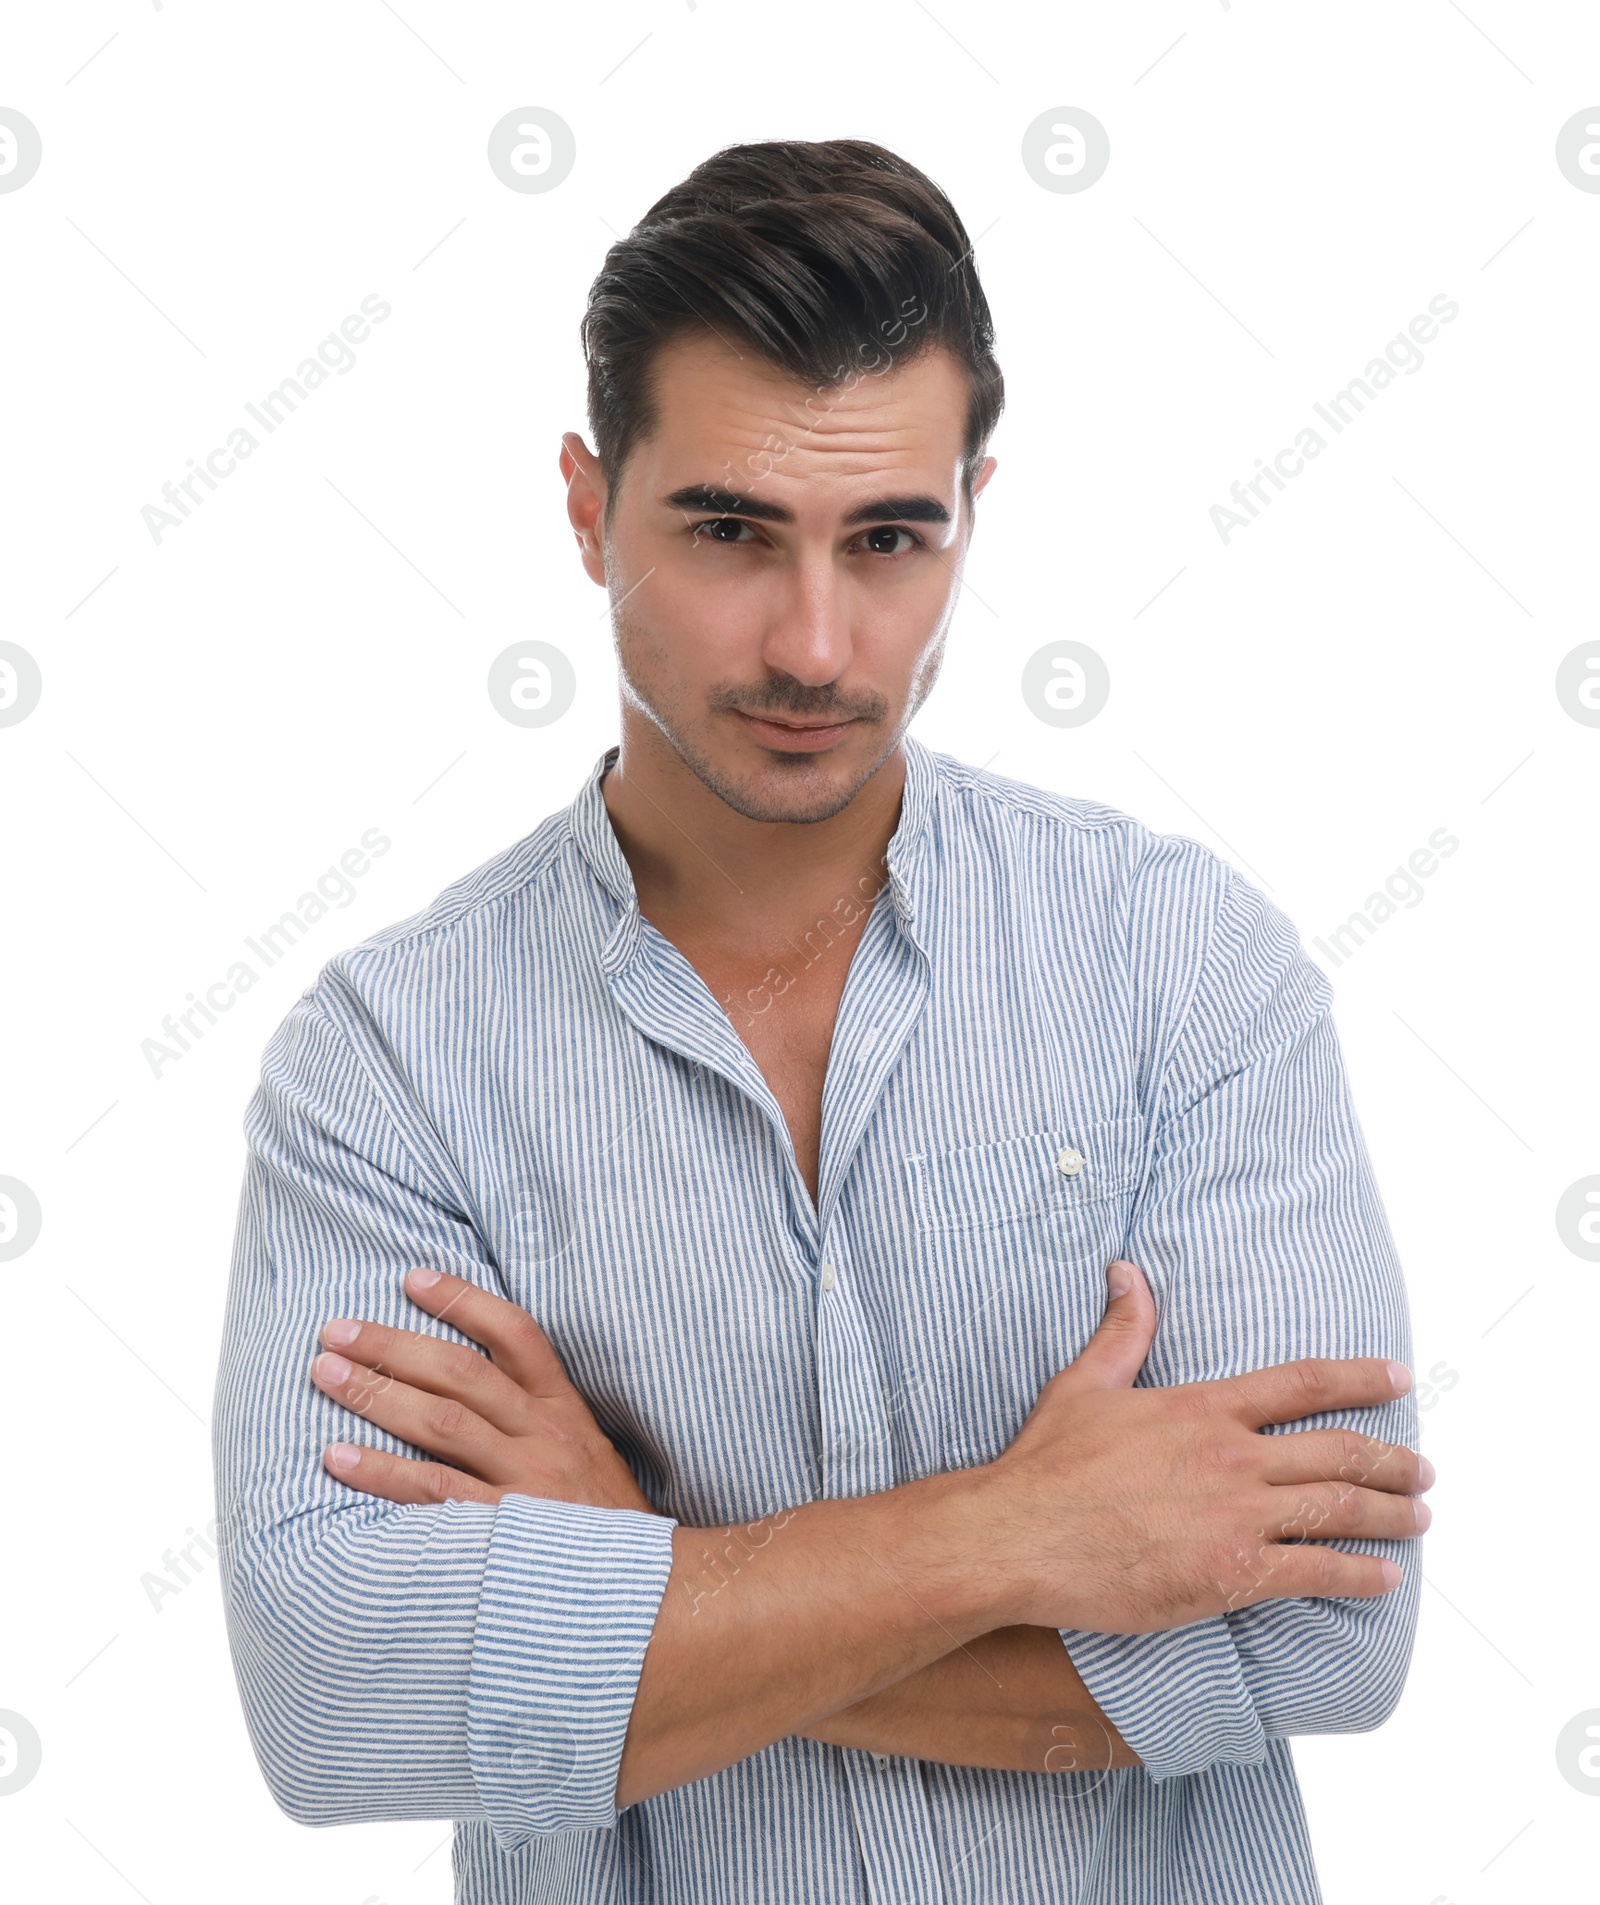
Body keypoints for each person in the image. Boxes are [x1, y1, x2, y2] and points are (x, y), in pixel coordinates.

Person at [212, 138, 1432, 1905]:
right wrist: (1015, 1536)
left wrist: (628, 1565)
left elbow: (1324, 1649)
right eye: (728, 530)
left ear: (967, 517)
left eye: (889, 539)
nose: (817, 641)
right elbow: (338, 1700)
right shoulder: (389, 1062)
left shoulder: (1184, 965)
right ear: (585, 504)